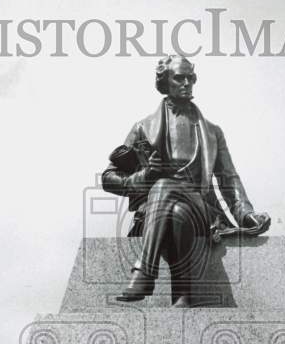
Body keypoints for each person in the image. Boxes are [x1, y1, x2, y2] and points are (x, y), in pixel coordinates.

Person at [101, 55, 270, 307]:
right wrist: (144, 176)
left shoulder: (213, 132)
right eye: (180, 77)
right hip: (158, 215)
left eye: (191, 77)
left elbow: (229, 180)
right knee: (172, 204)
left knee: (163, 186)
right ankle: (182, 297)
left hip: (201, 208)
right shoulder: (143, 128)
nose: (187, 83)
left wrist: (248, 215)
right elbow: (109, 178)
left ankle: (145, 271)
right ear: (164, 81)